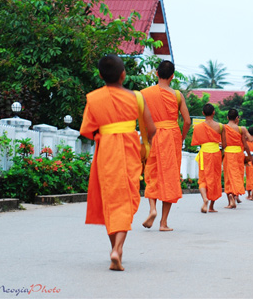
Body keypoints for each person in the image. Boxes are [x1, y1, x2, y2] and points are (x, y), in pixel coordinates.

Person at [80, 54, 156, 271]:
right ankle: (117, 249)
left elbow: (87, 129)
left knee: (111, 199)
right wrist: (145, 145)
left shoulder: (94, 98)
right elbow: (151, 129)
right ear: (124, 75)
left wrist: (105, 132)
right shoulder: (136, 97)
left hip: (105, 152)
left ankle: (116, 249)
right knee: (127, 199)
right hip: (129, 150)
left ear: (101, 75)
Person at [141, 60, 191, 231]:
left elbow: (142, 119)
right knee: (169, 177)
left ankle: (152, 209)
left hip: (154, 134)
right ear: (172, 76)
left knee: (152, 173)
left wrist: (145, 139)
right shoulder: (177, 95)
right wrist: (182, 138)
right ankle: (163, 223)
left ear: (156, 73)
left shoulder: (145, 93)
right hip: (172, 136)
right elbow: (188, 121)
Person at [191, 103, 226, 213]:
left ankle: (205, 199)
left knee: (203, 178)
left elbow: (196, 142)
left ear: (203, 113)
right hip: (215, 153)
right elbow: (224, 144)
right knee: (214, 179)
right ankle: (211, 206)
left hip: (204, 154)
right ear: (214, 112)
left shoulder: (197, 127)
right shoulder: (220, 126)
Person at [223, 109, 252, 208]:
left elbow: (222, 143)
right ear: (237, 118)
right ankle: (234, 195)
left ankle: (230, 199)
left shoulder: (223, 127)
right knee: (237, 175)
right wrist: (250, 156)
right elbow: (248, 143)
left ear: (227, 117)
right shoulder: (241, 129)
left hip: (228, 153)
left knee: (228, 175)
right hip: (239, 154)